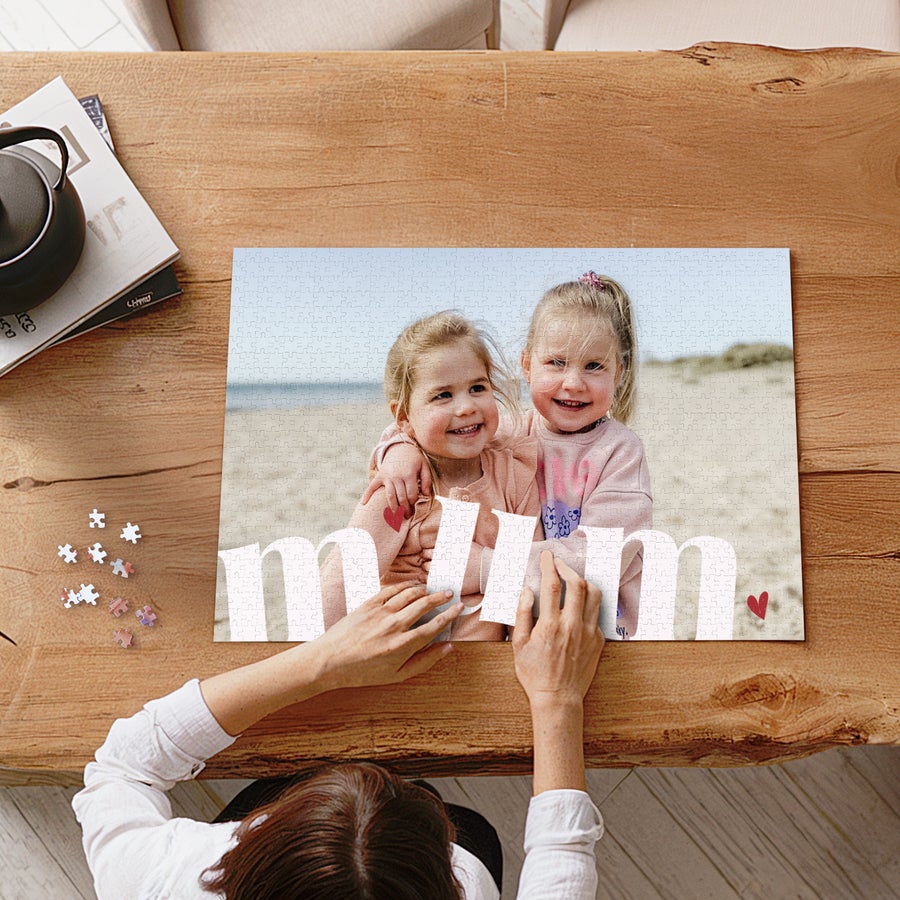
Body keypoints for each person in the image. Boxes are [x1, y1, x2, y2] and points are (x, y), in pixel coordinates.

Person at [72, 554, 606, 899]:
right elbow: (561, 862)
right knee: (478, 836)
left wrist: (320, 661)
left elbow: (120, 770)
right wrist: (558, 699)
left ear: (248, 860)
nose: (380, 770)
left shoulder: (154, 881)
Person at [368, 273, 652, 639]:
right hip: (524, 627)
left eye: (594, 366)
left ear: (619, 373)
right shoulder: (512, 431)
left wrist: (484, 567)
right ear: (527, 365)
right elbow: (434, 432)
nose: (574, 382)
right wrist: (398, 450)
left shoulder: (620, 452)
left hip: (601, 632)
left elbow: (600, 561)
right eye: (556, 362)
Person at [320, 310, 541, 640]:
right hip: (406, 661)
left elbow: (530, 572)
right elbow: (342, 581)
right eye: (443, 395)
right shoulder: (400, 490)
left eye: (477, 387)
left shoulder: (514, 475)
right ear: (404, 415)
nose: (466, 407)